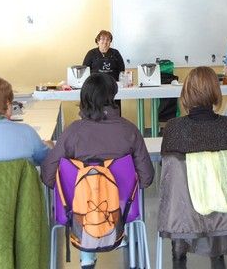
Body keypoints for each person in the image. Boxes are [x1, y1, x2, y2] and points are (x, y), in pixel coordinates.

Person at [41, 73, 154, 269]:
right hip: (121, 210)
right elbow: (147, 178)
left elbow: (48, 177)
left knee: (87, 194)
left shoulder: (72, 132)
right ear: (112, 97)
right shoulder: (129, 131)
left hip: (78, 213)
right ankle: (117, 234)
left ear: (84, 98)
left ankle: (87, 256)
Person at [160, 66, 227, 267]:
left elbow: (168, 173)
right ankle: (218, 256)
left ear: (186, 92)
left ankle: (178, 256)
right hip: (221, 211)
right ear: (215, 91)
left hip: (183, 216)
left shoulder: (173, 128)